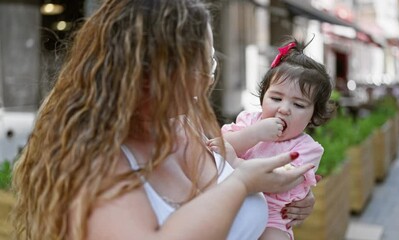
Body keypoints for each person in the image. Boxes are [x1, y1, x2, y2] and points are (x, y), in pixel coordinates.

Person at [11, 1, 317, 240]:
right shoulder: (96, 160)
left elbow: (228, 181)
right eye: (202, 64)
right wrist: (242, 184)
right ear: (153, 73)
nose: (209, 80)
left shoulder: (182, 124)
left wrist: (292, 197)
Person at [220, 36, 335, 240]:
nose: (284, 109)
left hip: (274, 217)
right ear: (263, 96)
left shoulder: (307, 148)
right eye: (275, 98)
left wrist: (236, 163)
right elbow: (221, 147)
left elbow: (280, 181)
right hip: (228, 201)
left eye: (298, 105)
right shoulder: (248, 121)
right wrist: (254, 134)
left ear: (313, 116)